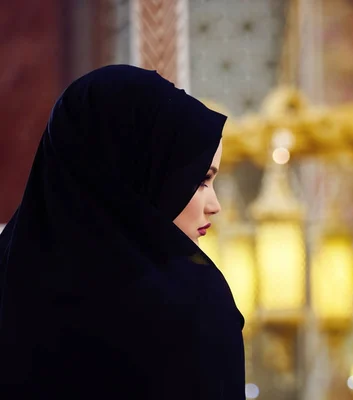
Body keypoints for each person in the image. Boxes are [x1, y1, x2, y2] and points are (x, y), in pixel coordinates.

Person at [0, 65, 245, 398]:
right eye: (200, 180)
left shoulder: (12, 286)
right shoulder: (192, 312)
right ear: (137, 172)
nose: (213, 205)